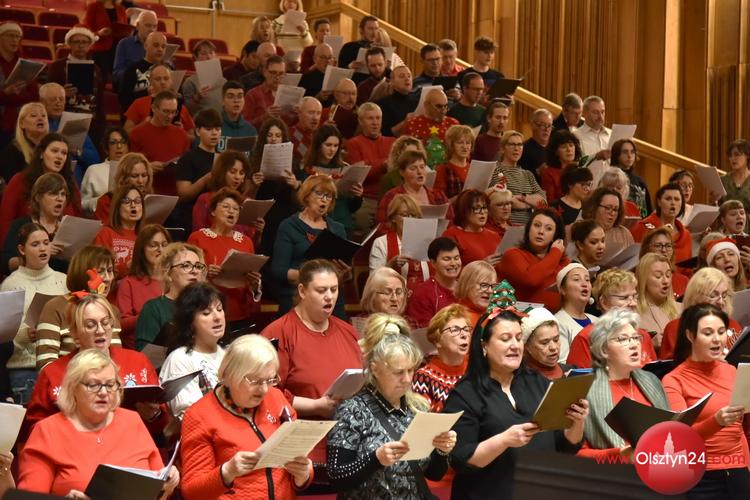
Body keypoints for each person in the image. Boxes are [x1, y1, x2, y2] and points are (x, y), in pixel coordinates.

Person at [443, 308, 588, 499]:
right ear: (484, 346)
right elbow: (461, 460)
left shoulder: (538, 382)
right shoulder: (465, 394)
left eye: (519, 338)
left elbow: (564, 448)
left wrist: (577, 423)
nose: (515, 345)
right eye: (505, 339)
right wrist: (504, 440)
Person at [18, 349, 179, 497]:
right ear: (73, 388)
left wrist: (168, 483)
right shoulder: (47, 431)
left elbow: (156, 488)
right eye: (93, 385)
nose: (103, 392)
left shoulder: (132, 421)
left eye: (110, 385)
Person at [181, 334, 313, 499]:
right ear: (230, 375)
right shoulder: (199, 416)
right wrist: (227, 471)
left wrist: (303, 474)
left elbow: (299, 463)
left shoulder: (276, 398)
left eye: (270, 380)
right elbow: (192, 492)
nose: (264, 389)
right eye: (255, 381)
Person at [261, 259, 362, 472]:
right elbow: (266, 393)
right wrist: (315, 406)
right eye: (321, 290)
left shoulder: (347, 331)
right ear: (302, 291)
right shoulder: (278, 333)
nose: (330, 296)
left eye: (334, 289)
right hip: (303, 445)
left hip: (350, 440)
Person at [327, 331, 456, 499]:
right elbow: (336, 477)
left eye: (411, 370)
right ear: (375, 369)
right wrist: (376, 459)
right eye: (398, 372)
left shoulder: (419, 408)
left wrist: (442, 450)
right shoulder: (351, 410)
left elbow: (433, 474)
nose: (407, 379)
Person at [24, 294, 166, 439]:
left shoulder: (138, 362)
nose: (100, 330)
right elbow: (34, 428)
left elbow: (162, 425)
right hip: (73, 448)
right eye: (90, 325)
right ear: (74, 333)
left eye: (105, 322)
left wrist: (154, 415)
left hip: (130, 446)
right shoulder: (52, 373)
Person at [662, 304, 750, 498]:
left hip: (738, 471)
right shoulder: (674, 380)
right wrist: (716, 421)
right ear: (690, 335)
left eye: (721, 332)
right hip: (700, 475)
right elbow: (680, 437)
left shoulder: (732, 371)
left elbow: (739, 431)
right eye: (708, 333)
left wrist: (746, 468)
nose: (717, 339)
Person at [576, 309, 670, 460]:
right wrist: (621, 455)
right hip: (616, 473)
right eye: (623, 339)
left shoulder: (652, 380)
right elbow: (577, 454)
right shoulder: (586, 391)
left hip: (660, 468)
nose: (634, 345)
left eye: (635, 337)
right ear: (604, 349)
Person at [1, 223, 67, 404]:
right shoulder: (10, 285)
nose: (43, 248)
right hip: (25, 371)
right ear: (22, 249)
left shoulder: (64, 281)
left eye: (46, 242)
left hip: (60, 367)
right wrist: (24, 335)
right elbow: (3, 336)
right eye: (35, 244)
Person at [270, 176, 351, 318]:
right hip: (299, 295)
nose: (324, 200)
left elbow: (342, 271)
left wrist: (345, 274)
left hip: (330, 298)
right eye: (319, 193)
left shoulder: (337, 229)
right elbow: (279, 271)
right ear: (307, 196)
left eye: (329, 196)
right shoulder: (289, 226)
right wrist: (313, 277)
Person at [34, 246, 120, 370]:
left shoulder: (112, 310)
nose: (107, 278)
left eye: (110, 271)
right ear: (83, 273)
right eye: (100, 271)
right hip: (70, 380)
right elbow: (46, 366)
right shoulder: (55, 307)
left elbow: (118, 359)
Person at [188, 188, 262, 325]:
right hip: (207, 312)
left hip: (239, 312)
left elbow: (250, 283)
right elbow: (187, 275)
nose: (231, 211)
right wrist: (205, 273)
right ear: (213, 211)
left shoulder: (246, 241)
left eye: (236, 208)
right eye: (226, 207)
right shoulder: (198, 237)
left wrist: (254, 283)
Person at [159, 283, 226, 420]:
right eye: (206, 313)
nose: (217, 317)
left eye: (219, 309)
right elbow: (189, 416)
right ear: (189, 321)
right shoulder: (180, 359)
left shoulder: (228, 354)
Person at [0, 133, 82, 244]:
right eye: (54, 151)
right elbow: (5, 219)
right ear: (41, 153)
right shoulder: (20, 180)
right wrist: (8, 250)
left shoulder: (70, 183)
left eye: (64, 153)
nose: (60, 156)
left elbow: (77, 218)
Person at [567, 269, 658, 368]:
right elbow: (581, 377)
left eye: (635, 297)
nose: (633, 303)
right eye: (624, 298)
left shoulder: (643, 335)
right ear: (604, 302)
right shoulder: (586, 338)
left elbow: (655, 374)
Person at [135, 243, 207, 350]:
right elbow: (144, 353)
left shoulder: (208, 306)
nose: (194, 271)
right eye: (186, 265)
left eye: (198, 266)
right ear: (168, 273)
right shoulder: (154, 308)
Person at [660, 267, 741, 360]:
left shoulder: (734, 325)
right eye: (713, 295)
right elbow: (670, 365)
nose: (721, 301)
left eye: (724, 295)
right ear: (696, 296)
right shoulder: (676, 328)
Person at [497, 208, 569, 310]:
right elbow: (531, 280)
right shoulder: (513, 255)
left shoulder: (562, 262)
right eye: (537, 225)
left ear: (555, 236)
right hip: (519, 317)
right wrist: (555, 252)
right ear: (528, 229)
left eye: (548, 228)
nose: (541, 232)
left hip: (557, 317)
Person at [301, 124, 363, 237]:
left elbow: (352, 208)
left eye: (336, 146)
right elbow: (302, 201)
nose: (332, 149)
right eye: (328, 145)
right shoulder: (307, 169)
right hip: (315, 224)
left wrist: (357, 196)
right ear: (318, 145)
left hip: (343, 224)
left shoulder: (344, 168)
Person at [114, 224, 171, 347]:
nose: (160, 250)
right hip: (139, 348)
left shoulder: (174, 280)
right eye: (153, 245)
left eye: (164, 245)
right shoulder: (129, 282)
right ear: (142, 250)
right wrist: (149, 315)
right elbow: (121, 325)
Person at [2, 173, 68, 275]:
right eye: (53, 194)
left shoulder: (68, 228)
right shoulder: (21, 225)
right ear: (37, 197)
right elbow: (6, 263)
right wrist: (38, 254)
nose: (60, 198)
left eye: (63, 194)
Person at [128, 90, 192, 196]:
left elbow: (187, 165)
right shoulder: (136, 133)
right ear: (154, 108)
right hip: (146, 194)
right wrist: (147, 167)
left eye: (173, 112)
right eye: (166, 111)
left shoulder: (182, 135)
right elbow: (128, 165)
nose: (170, 116)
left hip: (174, 194)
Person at [412, 304, 471, 411]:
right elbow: (422, 418)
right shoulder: (423, 377)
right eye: (455, 330)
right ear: (437, 340)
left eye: (466, 329)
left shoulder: (476, 371)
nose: (464, 335)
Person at [377, 149, 452, 224]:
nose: (419, 172)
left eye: (422, 167)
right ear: (402, 172)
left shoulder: (438, 195)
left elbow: (450, 222)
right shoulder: (391, 197)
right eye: (413, 168)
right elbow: (383, 226)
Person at [369, 194, 430, 286]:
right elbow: (373, 281)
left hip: (424, 293)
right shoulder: (381, 243)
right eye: (405, 215)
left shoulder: (427, 242)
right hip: (394, 293)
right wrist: (391, 265)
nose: (410, 219)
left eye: (413, 215)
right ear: (393, 218)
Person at [492, 131, 547, 225]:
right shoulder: (497, 171)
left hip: (530, 227)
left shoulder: (528, 174)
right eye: (512, 144)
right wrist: (530, 204)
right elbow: (503, 200)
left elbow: (543, 203)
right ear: (503, 148)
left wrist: (523, 197)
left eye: (520, 145)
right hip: (507, 226)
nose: (516, 148)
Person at [192, 150, 255, 232]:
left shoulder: (247, 202)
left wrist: (258, 231)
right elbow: (197, 233)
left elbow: (251, 237)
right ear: (222, 173)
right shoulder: (205, 199)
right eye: (233, 172)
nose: (237, 177)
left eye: (241, 173)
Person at [406, 237, 462, 328]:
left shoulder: (467, 288)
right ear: (433, 263)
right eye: (447, 259)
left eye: (456, 258)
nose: (453, 263)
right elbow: (422, 332)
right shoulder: (422, 293)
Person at [631, 182, 692, 263]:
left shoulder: (686, 235)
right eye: (668, 199)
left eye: (677, 199)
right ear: (659, 202)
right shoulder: (643, 227)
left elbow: (688, 267)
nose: (673, 203)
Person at [0, 23, 39, 147]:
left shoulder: (25, 64)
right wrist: (5, 93)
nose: (15, 40)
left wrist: (11, 97)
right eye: (11, 36)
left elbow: (34, 95)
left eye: (18, 37)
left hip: (19, 123)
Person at [93, 185, 143, 278]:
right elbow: (99, 269)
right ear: (117, 207)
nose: (133, 205)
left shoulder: (144, 236)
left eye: (137, 201)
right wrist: (127, 266)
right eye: (127, 201)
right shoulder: (105, 233)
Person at [635, 252, 682, 350]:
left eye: (668, 275)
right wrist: (649, 343)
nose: (666, 281)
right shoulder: (632, 314)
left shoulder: (682, 309)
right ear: (643, 279)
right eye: (658, 276)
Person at [403, 89, 459, 168]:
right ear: (427, 105)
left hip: (449, 170)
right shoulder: (412, 124)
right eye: (439, 106)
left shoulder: (453, 124)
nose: (443, 110)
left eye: (446, 106)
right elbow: (406, 156)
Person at [442, 190, 501, 265]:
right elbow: (448, 268)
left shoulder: (494, 235)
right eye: (477, 208)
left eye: (484, 207)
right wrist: (481, 266)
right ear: (464, 210)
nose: (482, 212)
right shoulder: (452, 235)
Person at [553, 263, 597, 362]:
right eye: (576, 279)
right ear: (563, 289)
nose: (584, 284)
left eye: (587, 280)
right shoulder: (557, 323)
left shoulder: (598, 321)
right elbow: (563, 364)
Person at [93, 151, 152, 224]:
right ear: (123, 178)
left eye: (144, 175)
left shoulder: (152, 199)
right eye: (134, 176)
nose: (140, 181)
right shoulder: (107, 201)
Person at [80, 127, 130, 213]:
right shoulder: (94, 170)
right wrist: (102, 200)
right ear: (106, 148)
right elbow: (83, 203)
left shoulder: (136, 169)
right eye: (113, 142)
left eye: (123, 142)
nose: (119, 146)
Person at [242, 55, 297, 129]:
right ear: (265, 72)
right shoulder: (252, 94)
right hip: (261, 135)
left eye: (281, 73)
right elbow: (244, 126)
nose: (277, 77)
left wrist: (298, 114)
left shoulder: (290, 95)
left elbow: (292, 125)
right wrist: (265, 117)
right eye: (273, 73)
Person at [118, 31, 168, 111]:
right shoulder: (132, 70)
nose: (160, 49)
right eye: (156, 45)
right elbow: (124, 100)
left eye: (163, 46)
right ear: (145, 46)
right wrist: (146, 93)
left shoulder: (168, 70)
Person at [0, 102, 49, 183]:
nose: (40, 118)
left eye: (43, 116)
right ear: (22, 123)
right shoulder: (12, 151)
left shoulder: (52, 148)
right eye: (33, 115)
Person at [521, 307, 573, 379]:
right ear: (527, 346)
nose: (553, 347)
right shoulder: (521, 380)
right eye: (544, 343)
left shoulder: (573, 372)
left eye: (556, 340)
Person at [581, 188, 635, 254]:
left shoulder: (624, 234)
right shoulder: (580, 229)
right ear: (594, 207)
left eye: (615, 209)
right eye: (608, 208)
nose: (612, 213)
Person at [639, 226, 690, 295]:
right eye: (658, 245)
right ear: (647, 249)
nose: (664, 250)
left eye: (668, 246)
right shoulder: (638, 279)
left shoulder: (684, 281)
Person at [112, 9, 158, 84]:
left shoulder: (160, 46)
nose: (152, 30)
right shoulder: (124, 44)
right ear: (138, 26)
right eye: (148, 25)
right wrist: (133, 75)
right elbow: (116, 74)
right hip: (132, 85)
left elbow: (171, 69)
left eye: (155, 26)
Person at [84, 0, 128, 78]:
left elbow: (125, 27)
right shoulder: (93, 7)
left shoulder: (121, 8)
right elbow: (86, 31)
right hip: (100, 50)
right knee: (101, 78)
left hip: (118, 50)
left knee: (118, 79)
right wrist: (99, 33)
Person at [611, 138, 651, 217]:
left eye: (632, 152)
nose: (629, 156)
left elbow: (648, 210)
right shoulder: (610, 178)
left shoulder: (640, 181)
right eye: (625, 152)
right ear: (617, 155)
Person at [540, 129, 583, 202]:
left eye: (571, 145)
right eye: (563, 147)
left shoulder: (580, 170)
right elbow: (550, 202)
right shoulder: (548, 173)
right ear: (556, 152)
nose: (569, 149)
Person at [433, 124, 475, 198]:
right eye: (460, 142)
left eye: (468, 143)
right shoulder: (443, 169)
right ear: (451, 145)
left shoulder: (474, 168)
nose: (465, 147)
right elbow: (439, 200)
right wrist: (461, 197)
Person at [375, 65, 418, 137]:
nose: (407, 78)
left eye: (409, 76)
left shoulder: (417, 101)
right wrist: (405, 122)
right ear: (392, 82)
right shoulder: (383, 104)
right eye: (402, 76)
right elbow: (385, 133)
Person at [454, 261, 497, 326]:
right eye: (484, 285)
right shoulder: (456, 318)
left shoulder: (496, 315)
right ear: (467, 284)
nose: (490, 291)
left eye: (493, 286)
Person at [518, 109, 554, 178]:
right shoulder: (523, 149)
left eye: (549, 126)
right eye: (543, 125)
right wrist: (538, 171)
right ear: (532, 125)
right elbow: (519, 177)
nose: (546, 129)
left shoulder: (554, 148)